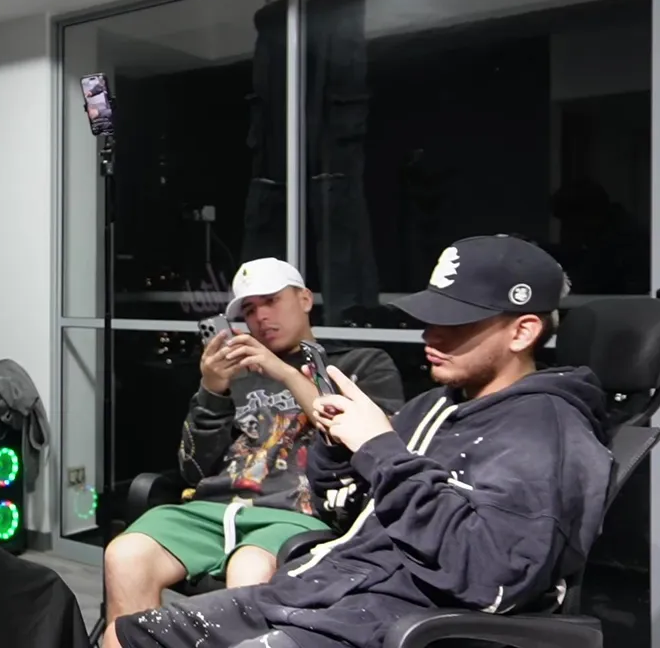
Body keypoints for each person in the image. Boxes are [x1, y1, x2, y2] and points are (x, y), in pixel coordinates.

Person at [109, 235, 613, 648]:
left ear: (522, 332)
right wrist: (336, 445)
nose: (430, 337)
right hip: (329, 587)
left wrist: (378, 445)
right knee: (128, 635)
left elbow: (490, 576)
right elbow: (347, 504)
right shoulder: (435, 405)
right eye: (430, 319)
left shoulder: (543, 428)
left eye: (456, 324)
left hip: (385, 615)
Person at [103, 258, 404, 641]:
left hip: (294, 516)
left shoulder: (360, 364)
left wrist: (286, 373)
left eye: (271, 301)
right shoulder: (236, 374)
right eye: (249, 309)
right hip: (214, 510)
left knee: (250, 568)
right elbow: (193, 470)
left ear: (305, 299)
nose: (260, 317)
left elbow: (369, 445)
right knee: (125, 554)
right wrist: (211, 390)